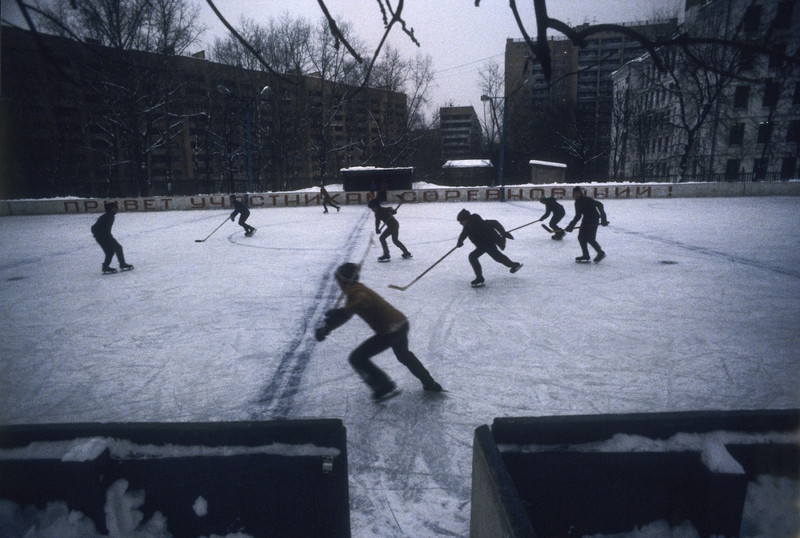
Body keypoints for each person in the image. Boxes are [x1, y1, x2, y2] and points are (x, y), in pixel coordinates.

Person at [314, 263, 443, 400]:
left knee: (357, 358)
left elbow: (363, 300)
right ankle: (430, 383)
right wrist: (326, 329)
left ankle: (385, 386)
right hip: (401, 323)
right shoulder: (356, 290)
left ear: (343, 281)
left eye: (338, 281)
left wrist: (342, 311)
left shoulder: (356, 292)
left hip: (389, 331)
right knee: (404, 355)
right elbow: (345, 315)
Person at [456, 209, 522, 288]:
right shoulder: (468, 225)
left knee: (473, 256)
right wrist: (460, 241)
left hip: (488, 242)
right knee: (497, 257)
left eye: (461, 221)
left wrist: (503, 233)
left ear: (466, 219)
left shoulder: (478, 222)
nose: (460, 223)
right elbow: (464, 233)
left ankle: (479, 278)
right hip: (483, 244)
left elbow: (495, 223)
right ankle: (513, 265)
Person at [565, 186, 609, 263]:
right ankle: (586, 255)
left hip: (593, 219)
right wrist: (571, 226)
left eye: (578, 193)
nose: (576, 195)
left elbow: (599, 204)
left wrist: (603, 219)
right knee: (581, 237)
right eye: (574, 193)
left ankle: (600, 253)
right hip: (586, 220)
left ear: (581, 193)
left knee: (590, 238)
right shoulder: (577, 203)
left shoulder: (587, 199)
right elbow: (578, 215)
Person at [91, 201, 133, 274]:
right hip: (104, 236)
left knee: (110, 252)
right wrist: (104, 236)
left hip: (101, 237)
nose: (117, 210)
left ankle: (106, 267)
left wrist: (97, 235)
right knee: (118, 248)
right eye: (115, 208)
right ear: (111, 209)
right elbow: (99, 228)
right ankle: (122, 264)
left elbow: (94, 227)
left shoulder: (107, 216)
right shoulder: (109, 216)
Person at [369, 198, 411, 262]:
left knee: (382, 238)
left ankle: (386, 254)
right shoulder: (377, 213)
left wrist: (393, 211)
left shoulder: (384, 210)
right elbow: (377, 221)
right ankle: (406, 252)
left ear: (375, 207)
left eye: (372, 208)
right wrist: (377, 228)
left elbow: (392, 210)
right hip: (393, 225)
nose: (372, 210)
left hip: (393, 225)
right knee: (395, 240)